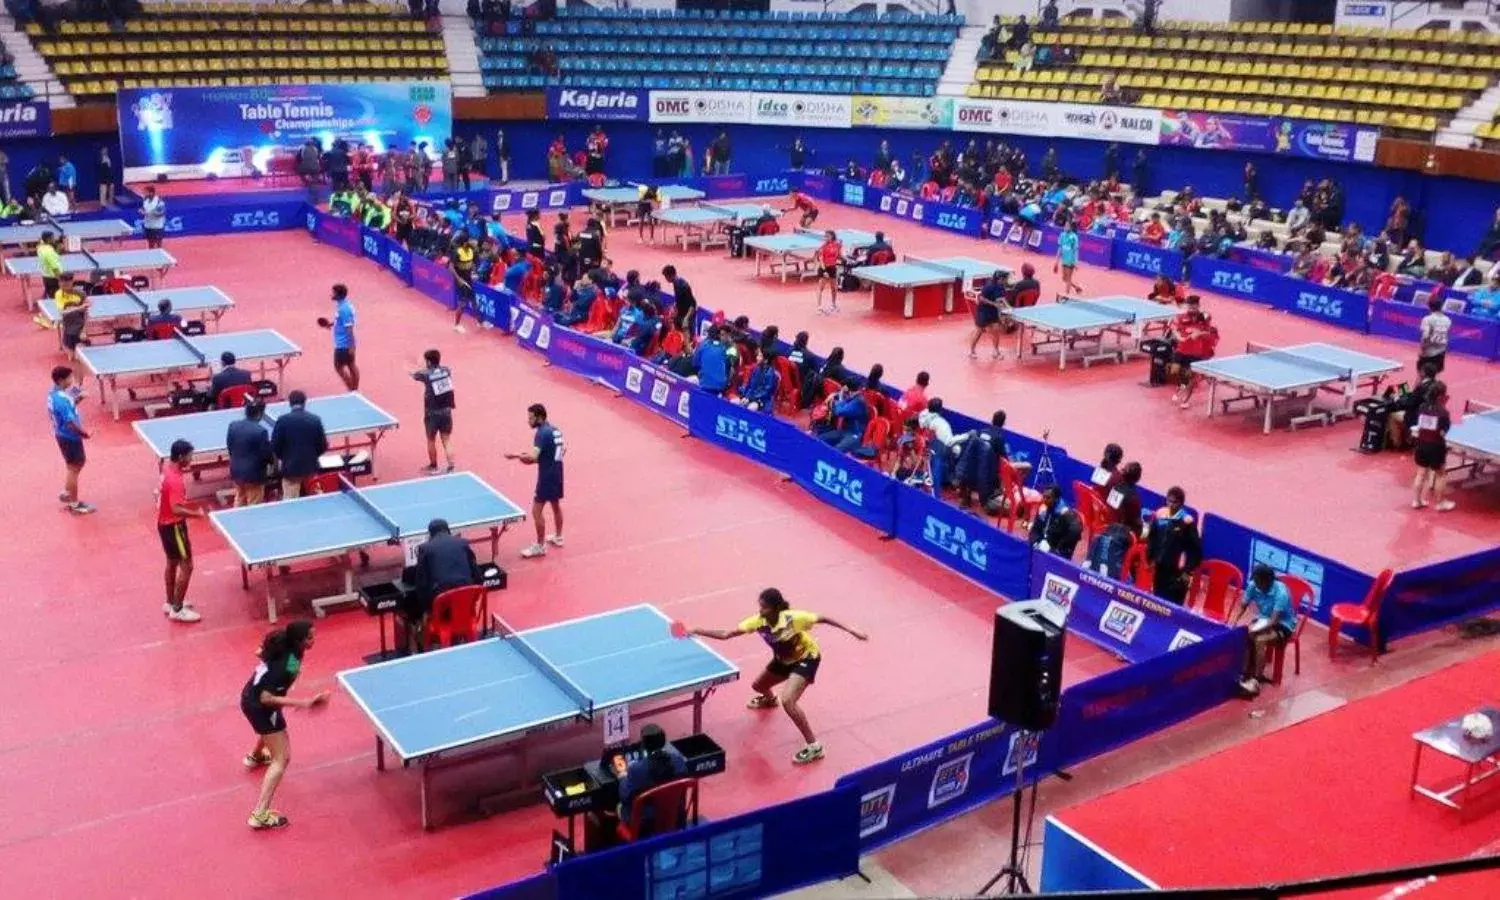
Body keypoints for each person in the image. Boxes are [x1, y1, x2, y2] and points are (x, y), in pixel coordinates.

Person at [689, 588, 867, 765]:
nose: (761, 611)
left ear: (776, 608)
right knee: (758, 686)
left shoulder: (793, 618)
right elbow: (726, 634)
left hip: (806, 658)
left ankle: (814, 746)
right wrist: (697, 630)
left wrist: (851, 630)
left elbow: (823, 618)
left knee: (788, 700)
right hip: (782, 660)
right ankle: (770, 700)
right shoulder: (758, 621)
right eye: (760, 606)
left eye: (765, 607)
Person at [241, 621, 330, 830]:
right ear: (299, 640)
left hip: (251, 696)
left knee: (272, 733)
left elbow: (258, 652)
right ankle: (259, 814)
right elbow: (266, 698)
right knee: (282, 758)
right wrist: (304, 703)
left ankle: (256, 756)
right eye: (310, 637)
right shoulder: (285, 664)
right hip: (259, 706)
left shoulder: (284, 644)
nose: (314, 640)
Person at [408, 518, 482, 650]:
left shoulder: (425, 548)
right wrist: (473, 599)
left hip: (442, 606)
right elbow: (477, 576)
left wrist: (426, 610)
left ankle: (422, 644)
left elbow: (421, 584)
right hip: (465, 602)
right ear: (448, 530)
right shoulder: (463, 543)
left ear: (430, 534)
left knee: (415, 604)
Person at [505, 403, 565, 559]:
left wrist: (516, 456)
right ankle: (558, 537)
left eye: (531, 418)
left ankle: (540, 546)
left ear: (540, 417)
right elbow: (562, 451)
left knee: (536, 511)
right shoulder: (555, 430)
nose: (528, 421)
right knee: (555, 505)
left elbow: (532, 457)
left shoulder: (541, 433)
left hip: (546, 477)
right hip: (558, 473)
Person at [158, 439, 208, 623]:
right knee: (187, 566)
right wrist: (197, 514)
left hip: (163, 524)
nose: (191, 459)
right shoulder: (176, 480)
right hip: (175, 527)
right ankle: (177, 609)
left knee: (172, 562)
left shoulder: (167, 469)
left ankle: (170, 602)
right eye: (189, 456)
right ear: (180, 457)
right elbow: (176, 509)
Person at [1238, 564, 1297, 695]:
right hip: (1263, 619)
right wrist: (1233, 622)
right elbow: (1243, 606)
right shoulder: (1253, 585)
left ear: (1267, 581)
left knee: (1260, 639)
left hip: (1283, 624)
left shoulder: (1281, 593)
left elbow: (1274, 621)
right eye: (1255, 580)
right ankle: (1244, 672)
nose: (1255, 583)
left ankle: (1256, 679)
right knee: (1244, 634)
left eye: (1258, 581)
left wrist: (1255, 630)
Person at [1143, 486, 1201, 605]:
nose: (1171, 505)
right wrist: (1150, 558)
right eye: (1169, 501)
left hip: (1177, 572)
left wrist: (1187, 571)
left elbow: (1195, 550)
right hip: (1161, 567)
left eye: (1175, 502)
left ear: (1181, 503)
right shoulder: (1160, 515)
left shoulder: (1187, 521)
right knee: (1157, 600)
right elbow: (1152, 538)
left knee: (1173, 603)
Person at [49, 365, 93, 515]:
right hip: (69, 436)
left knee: (74, 465)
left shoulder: (54, 394)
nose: (72, 380)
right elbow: (70, 422)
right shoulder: (61, 400)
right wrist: (84, 433)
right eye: (70, 378)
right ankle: (74, 504)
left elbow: (69, 407)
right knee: (74, 467)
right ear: (61, 380)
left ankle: (67, 492)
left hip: (62, 435)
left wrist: (79, 398)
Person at [270, 391, 329, 499]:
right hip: (311, 468)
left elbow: (275, 446)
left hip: (290, 469)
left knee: (290, 503)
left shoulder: (282, 421)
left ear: (290, 403)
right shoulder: (315, 420)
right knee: (316, 501)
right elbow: (323, 445)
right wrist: (312, 456)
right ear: (304, 402)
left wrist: (286, 457)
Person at [1411, 379, 1454, 512]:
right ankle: (1440, 503)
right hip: (1436, 446)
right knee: (1441, 474)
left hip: (1421, 444)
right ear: (1441, 396)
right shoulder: (1443, 413)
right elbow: (1443, 432)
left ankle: (1416, 501)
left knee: (1421, 472)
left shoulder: (1422, 407)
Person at [412, 348, 457, 474]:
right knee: (446, 439)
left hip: (432, 413)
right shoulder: (447, 370)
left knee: (431, 440)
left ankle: (433, 466)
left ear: (428, 362)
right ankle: (451, 467)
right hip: (447, 411)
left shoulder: (425, 374)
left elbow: (415, 375)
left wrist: (419, 367)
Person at [1167, 296, 1217, 408]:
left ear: (1198, 306)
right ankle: (1181, 385)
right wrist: (1179, 337)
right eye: (1189, 307)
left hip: (1196, 353)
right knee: (1174, 371)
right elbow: (1174, 329)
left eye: (1193, 307)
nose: (1190, 309)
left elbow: (1210, 332)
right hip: (1181, 350)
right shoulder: (1181, 317)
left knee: (1191, 378)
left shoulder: (1205, 317)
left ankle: (1185, 401)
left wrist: (1198, 333)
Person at [227, 400, 274, 507]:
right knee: (254, 504)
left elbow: (230, 447)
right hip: (254, 475)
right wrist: (272, 462)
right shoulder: (261, 431)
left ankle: (236, 517)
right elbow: (265, 454)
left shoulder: (233, 426)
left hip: (236, 471)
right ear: (260, 414)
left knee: (240, 497)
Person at [320, 283, 359, 390]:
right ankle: (355, 390)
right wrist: (331, 324)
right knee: (351, 365)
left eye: (333, 293)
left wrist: (351, 346)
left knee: (338, 367)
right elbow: (341, 321)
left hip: (343, 344)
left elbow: (349, 328)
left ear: (338, 294)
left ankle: (352, 389)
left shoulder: (344, 309)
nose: (331, 294)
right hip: (345, 343)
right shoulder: (343, 305)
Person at [1029, 485, 1083, 560]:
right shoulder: (1043, 509)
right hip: (1041, 546)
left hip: (1057, 554)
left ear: (1056, 499)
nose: (1044, 500)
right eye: (1044, 496)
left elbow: (1075, 532)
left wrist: (1056, 549)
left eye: (1048, 498)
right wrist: (1035, 542)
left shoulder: (1066, 514)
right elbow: (1035, 529)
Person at [970, 270, 1009, 359]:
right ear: (1000, 278)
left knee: (996, 331)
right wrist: (993, 304)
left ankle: (996, 352)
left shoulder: (1001, 287)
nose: (1006, 280)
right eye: (1005, 279)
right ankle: (972, 351)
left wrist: (1008, 307)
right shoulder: (989, 286)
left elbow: (1002, 299)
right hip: (983, 311)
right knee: (979, 332)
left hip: (993, 312)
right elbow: (981, 298)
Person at [54, 274, 90, 362]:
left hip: (79, 329)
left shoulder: (80, 294)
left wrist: (84, 331)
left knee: (81, 358)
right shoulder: (59, 294)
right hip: (68, 329)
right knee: (71, 358)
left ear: (72, 282)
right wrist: (78, 308)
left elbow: (87, 314)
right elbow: (62, 312)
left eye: (66, 283)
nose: (63, 286)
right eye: (61, 283)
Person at [1417, 295, 1450, 375]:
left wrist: (1422, 350)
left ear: (1430, 307)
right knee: (1435, 374)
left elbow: (1425, 336)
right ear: (1441, 307)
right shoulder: (1447, 320)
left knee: (1422, 375)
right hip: (1441, 352)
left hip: (1428, 352)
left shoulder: (1427, 319)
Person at [814, 230, 842, 314]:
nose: (826, 238)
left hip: (832, 268)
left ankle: (833, 305)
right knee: (820, 288)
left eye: (827, 236)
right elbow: (821, 260)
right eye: (825, 236)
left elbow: (839, 255)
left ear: (832, 236)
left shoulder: (837, 245)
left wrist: (846, 260)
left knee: (834, 288)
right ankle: (819, 307)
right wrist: (824, 271)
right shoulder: (823, 247)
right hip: (824, 268)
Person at [1055, 219, 1083, 295]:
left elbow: (1075, 250)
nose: (1065, 227)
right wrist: (1056, 262)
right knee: (1064, 278)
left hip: (1071, 260)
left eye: (1067, 226)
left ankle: (1066, 295)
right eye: (1065, 225)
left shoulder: (1074, 237)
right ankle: (1077, 287)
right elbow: (1060, 248)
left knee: (1068, 278)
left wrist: (1076, 262)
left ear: (1071, 227)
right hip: (1064, 259)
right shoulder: (1062, 235)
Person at [35, 231, 63, 306]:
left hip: (45, 276)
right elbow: (55, 268)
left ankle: (45, 299)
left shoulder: (40, 247)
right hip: (53, 278)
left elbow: (56, 252)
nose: (54, 239)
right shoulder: (49, 252)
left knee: (50, 295)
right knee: (56, 299)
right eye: (53, 238)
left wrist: (59, 243)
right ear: (48, 239)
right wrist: (61, 280)